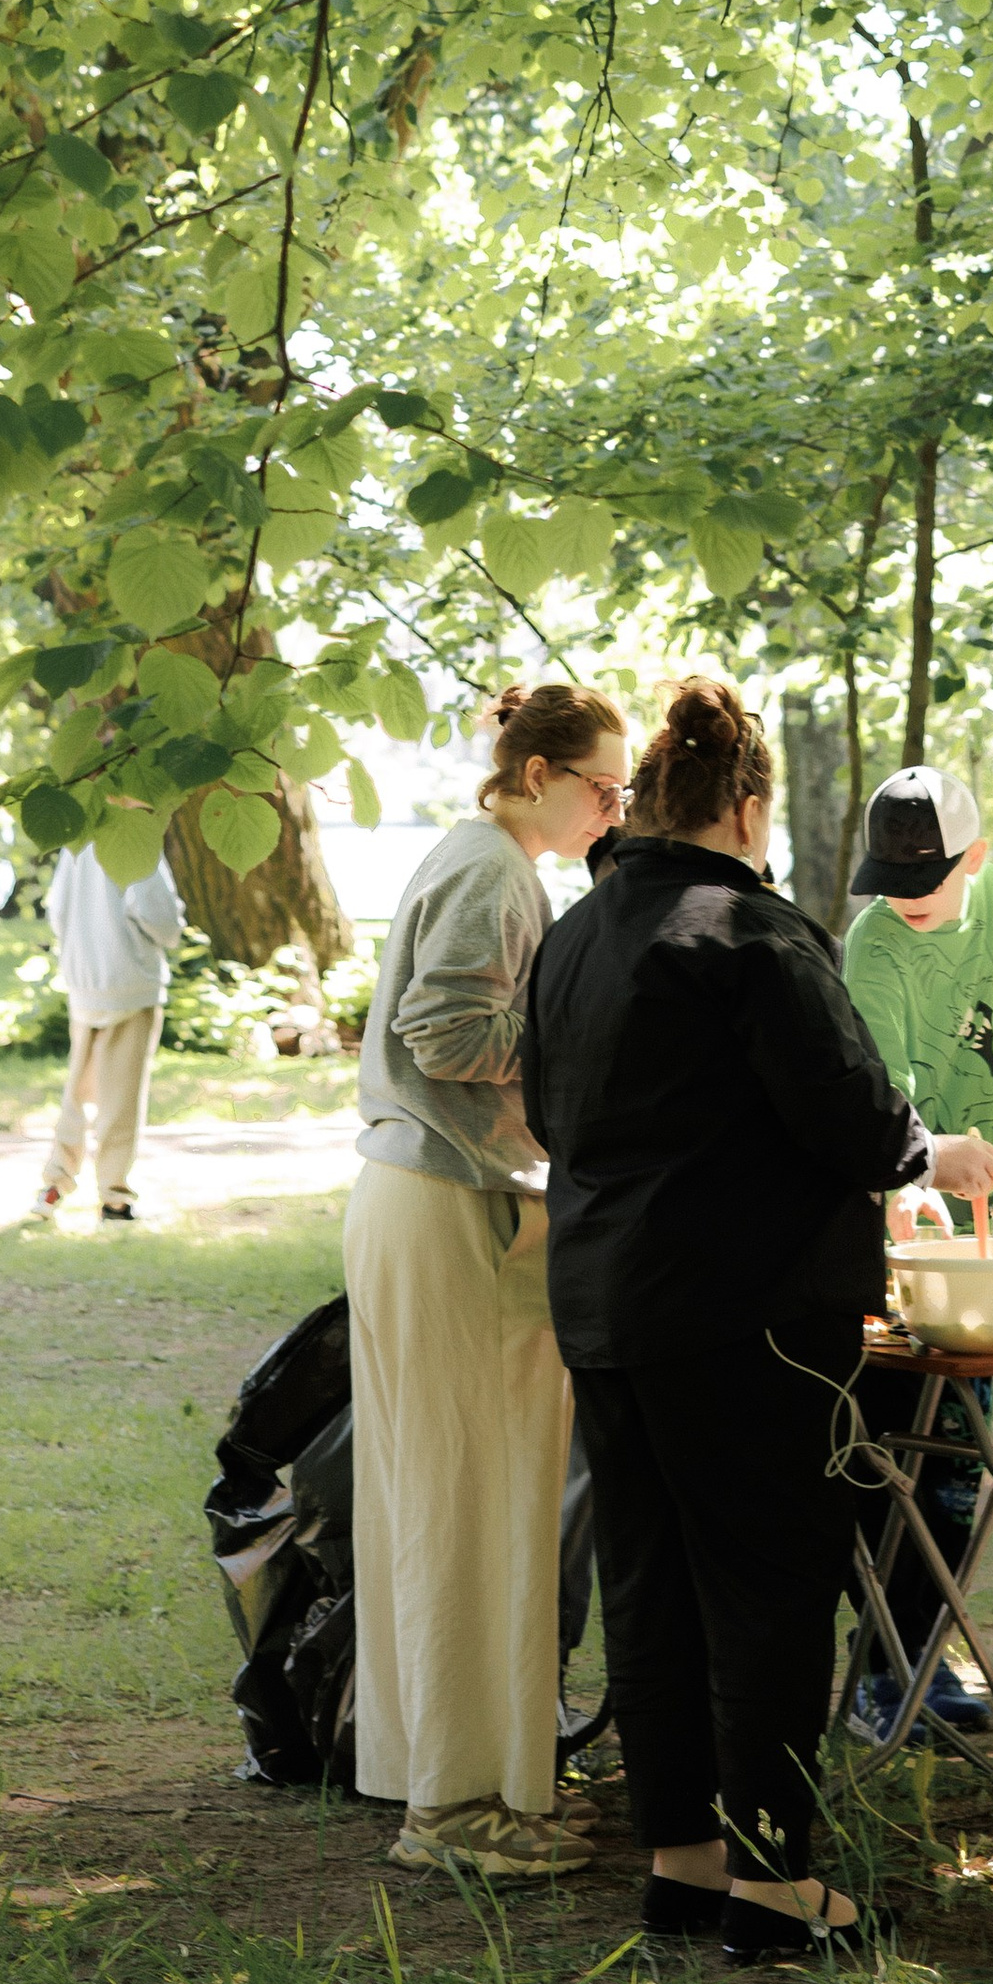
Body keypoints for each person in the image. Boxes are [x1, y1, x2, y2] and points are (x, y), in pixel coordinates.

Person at [523, 678, 993, 1965]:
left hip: (608, 1304)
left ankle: (683, 1855)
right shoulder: (753, 934)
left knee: (653, 1581)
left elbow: (551, 1117)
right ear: (746, 806)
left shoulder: (578, 933)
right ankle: (777, 1884)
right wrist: (934, 1148)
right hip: (746, 1314)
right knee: (770, 1586)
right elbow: (850, 1119)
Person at [347, 675, 632, 1886]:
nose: (611, 814)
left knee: (438, 1497)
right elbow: (443, 1033)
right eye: (601, 789)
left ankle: (433, 1774)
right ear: (536, 777)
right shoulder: (494, 871)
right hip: (450, 1202)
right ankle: (462, 1806)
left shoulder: (489, 861)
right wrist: (590, 1038)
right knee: (473, 1506)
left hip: (426, 1196)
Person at [841, 765, 993, 1735]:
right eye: (890, 880)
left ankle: (917, 1657)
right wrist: (917, 1182)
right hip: (903, 1238)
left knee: (963, 1465)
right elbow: (878, 1103)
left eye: (926, 881)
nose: (904, 901)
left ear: (981, 860)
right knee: (895, 1462)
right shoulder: (872, 947)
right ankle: (882, 1670)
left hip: (989, 1234)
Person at [33, 839, 187, 1223]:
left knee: (79, 1091)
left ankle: (56, 1181)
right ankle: (114, 1195)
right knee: (121, 1095)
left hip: (84, 979)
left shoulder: (76, 842)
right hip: (130, 981)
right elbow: (160, 917)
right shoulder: (137, 841)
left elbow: (58, 911)